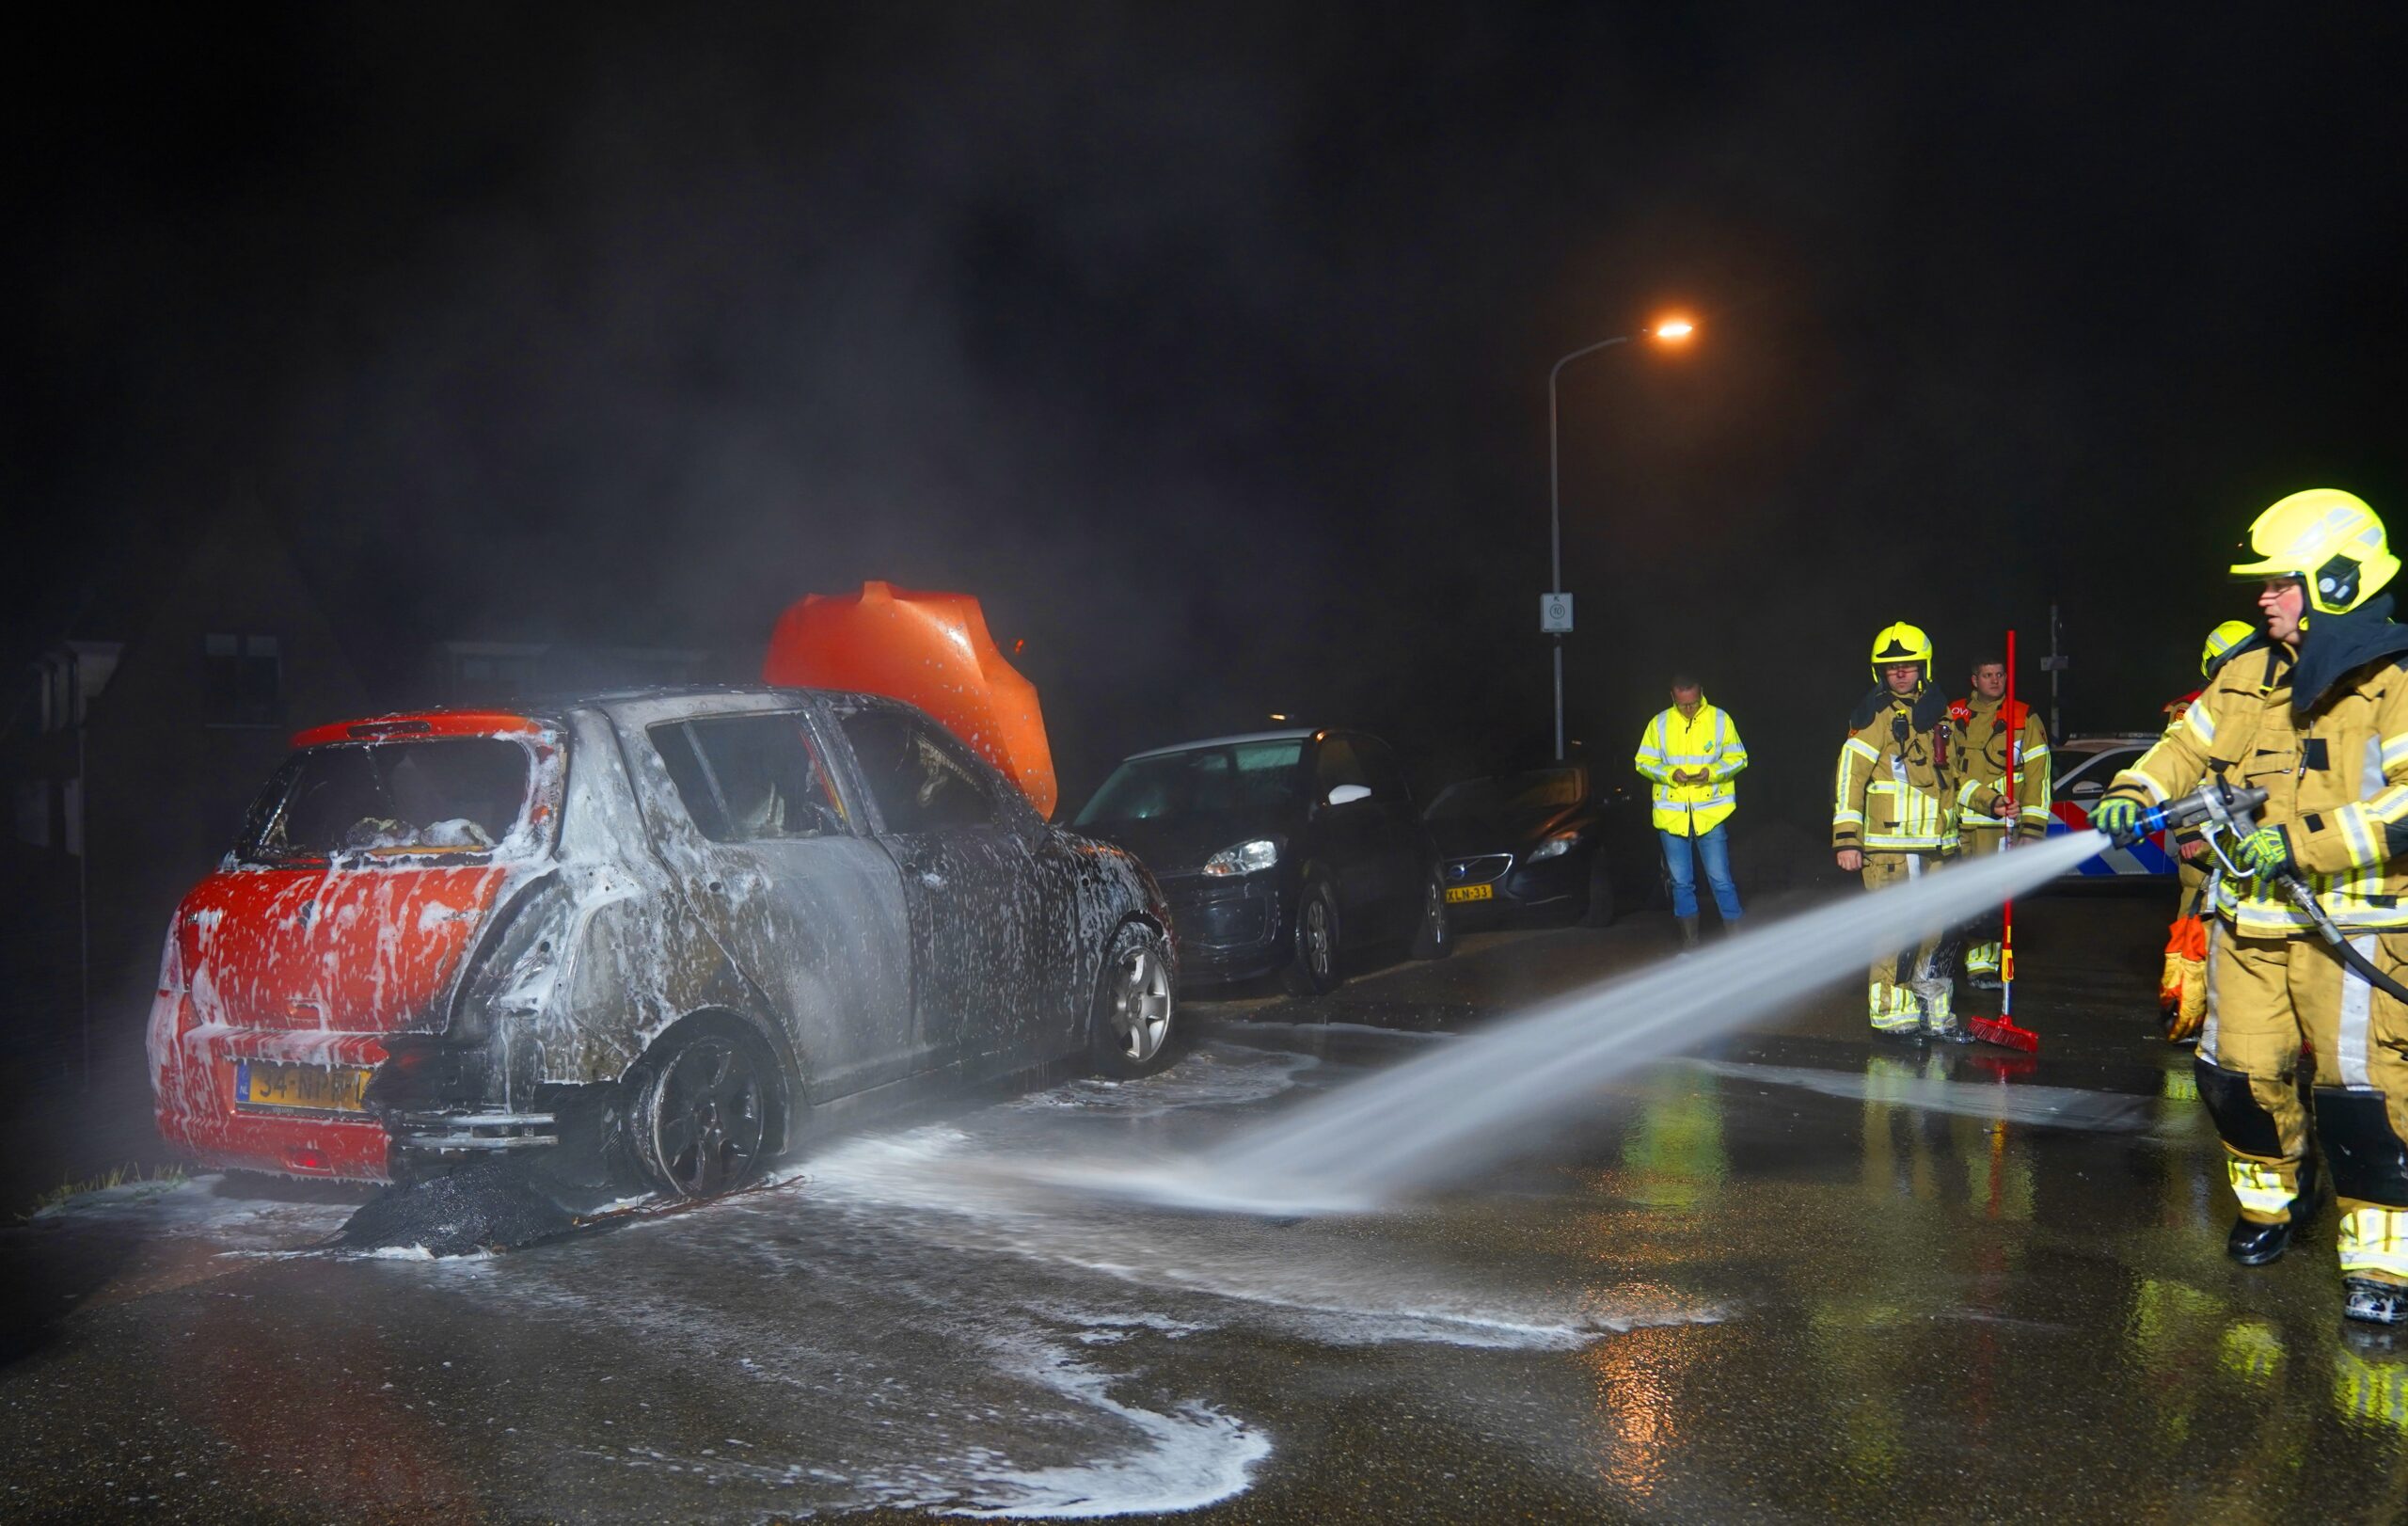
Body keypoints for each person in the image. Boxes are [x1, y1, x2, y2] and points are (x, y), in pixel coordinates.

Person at [2094, 488, 2408, 1327]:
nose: (2263, 598)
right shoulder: (2247, 671)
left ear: (2337, 579)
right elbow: (2185, 747)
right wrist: (2134, 788)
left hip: (2357, 927)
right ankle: (2274, 1205)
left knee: (2362, 1095)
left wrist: (2299, 845)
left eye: (2280, 583)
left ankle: (2380, 1257)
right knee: (2236, 1074)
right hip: (2250, 921)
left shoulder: (2392, 683)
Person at [1833, 623, 2006, 1036]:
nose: (1900, 673)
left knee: (1937, 932)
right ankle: (1890, 1012)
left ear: (1923, 667)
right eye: (1891, 667)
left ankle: (1932, 1011)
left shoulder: (1938, 713)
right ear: (1880, 672)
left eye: (1908, 665)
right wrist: (1846, 840)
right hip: (1890, 847)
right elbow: (1849, 777)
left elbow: (1955, 777)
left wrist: (1991, 801)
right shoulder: (1872, 715)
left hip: (1937, 845)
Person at [2158, 619, 2262, 1044]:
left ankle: (2238, 1019)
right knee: (2192, 930)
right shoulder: (2193, 710)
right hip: (2203, 838)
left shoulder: (2264, 701)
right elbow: (2178, 772)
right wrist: (2186, 834)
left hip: (2245, 839)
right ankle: (2185, 1014)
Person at [1952, 654, 2053, 987]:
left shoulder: (2023, 716)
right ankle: (1948, 958)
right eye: (1987, 675)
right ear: (1974, 680)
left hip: (1999, 826)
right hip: (1955, 825)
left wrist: (2033, 830)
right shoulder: (1953, 714)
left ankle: (1983, 965)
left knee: (1991, 894)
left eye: (2000, 674)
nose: (1995, 681)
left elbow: (2039, 776)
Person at [1634, 675, 1749, 948]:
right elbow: (1643, 762)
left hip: (1710, 815)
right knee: (1681, 883)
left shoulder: (1720, 719)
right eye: (1684, 704)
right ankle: (1690, 944)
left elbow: (1739, 758)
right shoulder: (1658, 723)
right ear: (1673, 697)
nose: (1689, 709)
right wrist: (1671, 774)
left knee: (1721, 880)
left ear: (1701, 694)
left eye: (1694, 703)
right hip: (1672, 817)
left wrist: (1712, 772)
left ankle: (1738, 945)